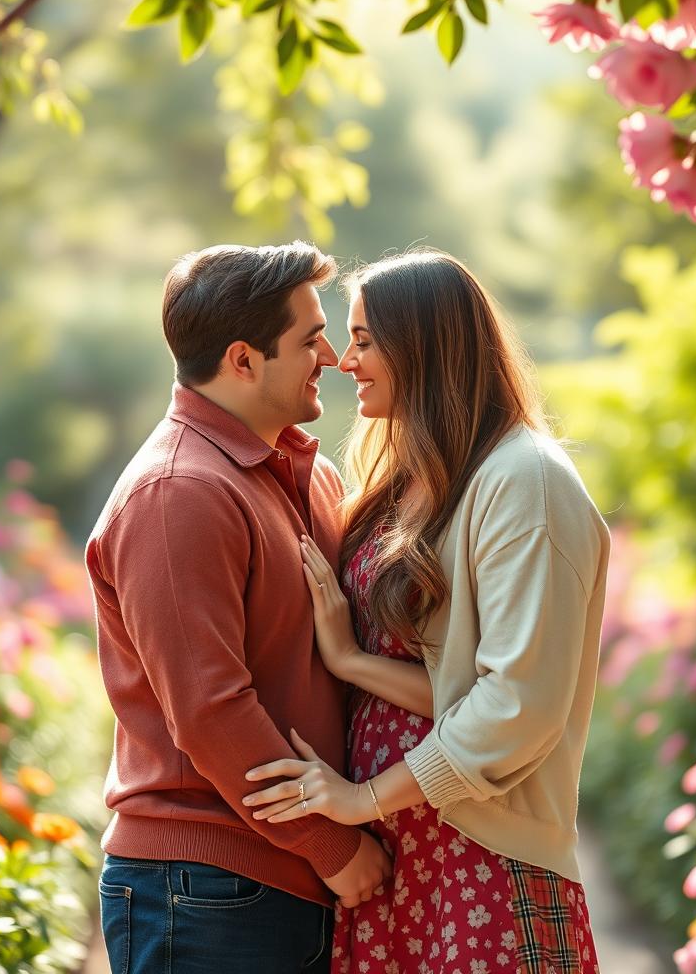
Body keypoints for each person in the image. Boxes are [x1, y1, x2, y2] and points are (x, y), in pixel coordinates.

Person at [242, 249, 611, 973]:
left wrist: (362, 801)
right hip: (398, 860)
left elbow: (517, 705)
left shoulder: (525, 483)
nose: (346, 362)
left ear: (428, 345)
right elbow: (456, 689)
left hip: (481, 860)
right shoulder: (413, 477)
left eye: (366, 340)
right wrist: (349, 661)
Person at [86, 242, 392, 974]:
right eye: (309, 340)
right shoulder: (177, 494)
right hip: (205, 891)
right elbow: (211, 709)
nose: (332, 357)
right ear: (243, 360)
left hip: (277, 880)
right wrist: (333, 843)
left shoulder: (293, 472)